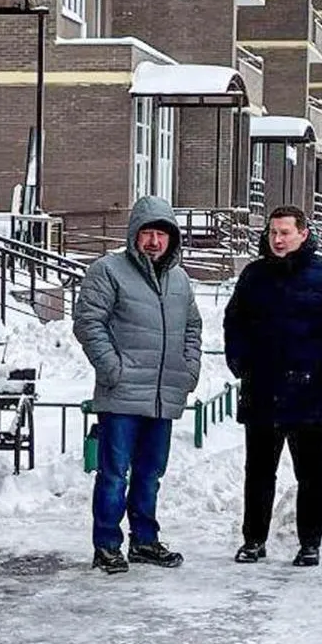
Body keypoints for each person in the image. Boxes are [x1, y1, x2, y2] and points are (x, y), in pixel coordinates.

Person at [224, 205, 322, 567]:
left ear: (303, 233)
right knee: (258, 472)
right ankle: (254, 540)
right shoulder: (254, 275)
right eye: (273, 232)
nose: (278, 239)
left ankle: (310, 542)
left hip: (310, 393)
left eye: (285, 232)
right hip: (262, 390)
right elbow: (234, 322)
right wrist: (240, 364)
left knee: (312, 474)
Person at [72, 196, 203, 574]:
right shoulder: (108, 271)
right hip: (123, 395)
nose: (154, 241)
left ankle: (144, 541)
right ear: (134, 235)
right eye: (147, 232)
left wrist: (188, 369)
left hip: (163, 396)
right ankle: (107, 545)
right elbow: (88, 323)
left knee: (150, 474)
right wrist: (113, 369)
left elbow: (192, 328)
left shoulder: (179, 279)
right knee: (114, 475)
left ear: (172, 239)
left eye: (161, 234)